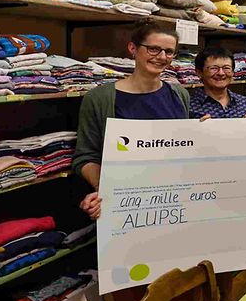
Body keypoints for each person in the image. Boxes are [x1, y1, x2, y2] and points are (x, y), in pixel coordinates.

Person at [74, 21, 190, 221]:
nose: (162, 57)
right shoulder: (99, 98)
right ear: (133, 48)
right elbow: (85, 156)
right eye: (153, 49)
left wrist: (202, 133)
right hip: (127, 204)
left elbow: (183, 149)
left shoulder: (179, 94)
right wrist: (104, 189)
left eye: (169, 52)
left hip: (173, 201)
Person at [189, 46, 246, 120]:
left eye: (226, 68)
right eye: (214, 68)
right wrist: (197, 125)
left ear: (233, 72)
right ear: (199, 72)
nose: (221, 73)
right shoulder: (189, 106)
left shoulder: (245, 104)